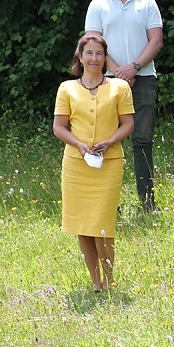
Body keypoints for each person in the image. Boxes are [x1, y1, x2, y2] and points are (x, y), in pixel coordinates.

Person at [53, 31, 136, 292]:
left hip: (108, 163)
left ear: (105, 58)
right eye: (89, 52)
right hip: (77, 166)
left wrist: (110, 142)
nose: (94, 58)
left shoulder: (119, 87)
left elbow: (128, 123)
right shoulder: (67, 88)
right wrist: (77, 144)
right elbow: (59, 126)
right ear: (80, 56)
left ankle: (110, 278)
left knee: (102, 223)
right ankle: (95, 281)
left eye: (99, 53)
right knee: (82, 224)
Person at [84, 0, 164, 212]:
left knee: (142, 141)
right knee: (106, 141)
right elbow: (92, 45)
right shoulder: (97, 5)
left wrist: (134, 67)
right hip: (105, 82)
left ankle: (148, 203)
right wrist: (119, 72)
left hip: (143, 80)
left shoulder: (147, 2)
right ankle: (109, 205)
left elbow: (156, 40)